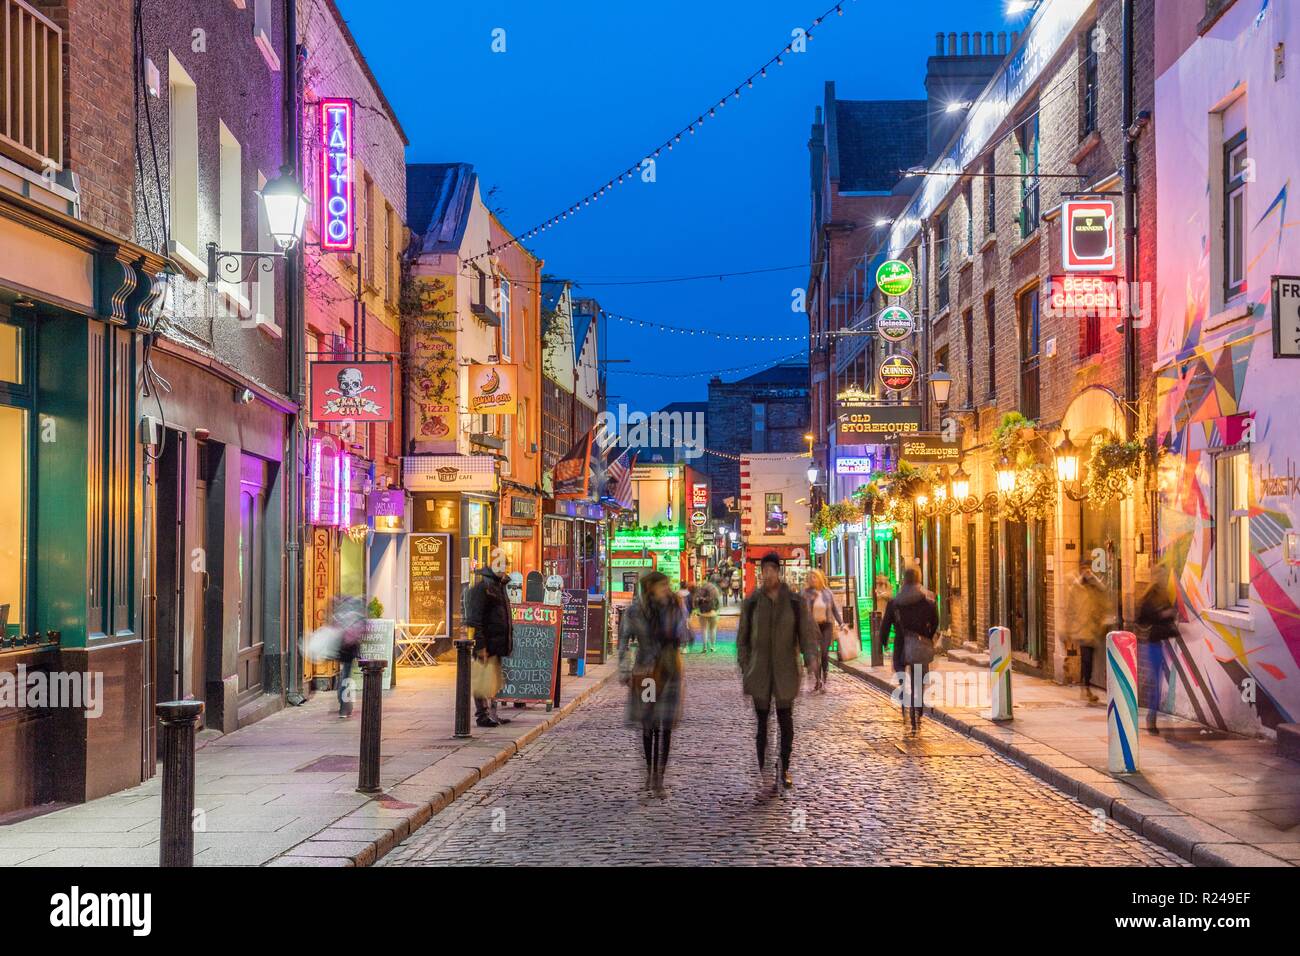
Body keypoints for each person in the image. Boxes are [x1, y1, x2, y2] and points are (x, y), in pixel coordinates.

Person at [737, 552, 820, 790]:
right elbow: (742, 639)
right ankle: (764, 769)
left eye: (773, 569)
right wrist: (746, 665)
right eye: (766, 569)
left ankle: (783, 768)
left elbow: (805, 634)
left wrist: (811, 658)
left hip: (785, 671)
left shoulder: (794, 602)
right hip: (760, 670)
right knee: (762, 724)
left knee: (786, 722)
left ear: (779, 572)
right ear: (762, 572)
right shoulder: (752, 602)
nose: (769, 573)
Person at [618, 571, 688, 797]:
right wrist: (626, 669)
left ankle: (660, 778)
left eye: (667, 585)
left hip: (670, 671)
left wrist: (680, 619)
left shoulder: (674, 607)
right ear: (650, 588)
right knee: (649, 724)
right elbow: (624, 641)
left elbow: (685, 636)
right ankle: (649, 773)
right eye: (661, 586)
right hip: (647, 673)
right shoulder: (635, 611)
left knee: (665, 725)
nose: (666, 589)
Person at [882, 568, 939, 734]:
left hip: (901, 644)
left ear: (904, 580)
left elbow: (886, 624)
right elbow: (935, 621)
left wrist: (883, 642)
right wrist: (928, 636)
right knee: (919, 680)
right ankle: (918, 710)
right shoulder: (926, 600)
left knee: (902, 675)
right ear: (918, 579)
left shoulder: (895, 602)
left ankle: (904, 695)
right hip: (920, 644)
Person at [462, 563, 515, 728]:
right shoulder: (483, 588)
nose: (504, 569)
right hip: (487, 642)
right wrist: (480, 645)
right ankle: (482, 716)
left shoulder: (499, 586)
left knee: (493, 681)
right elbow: (475, 619)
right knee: (482, 681)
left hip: (497, 642)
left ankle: (492, 714)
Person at [1137, 564, 1179, 734]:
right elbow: (1141, 619)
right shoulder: (1149, 596)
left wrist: (1170, 614)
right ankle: (1151, 718)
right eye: (1160, 575)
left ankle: (1151, 715)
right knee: (1155, 682)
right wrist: (1161, 615)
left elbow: (1170, 614)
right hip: (1152, 644)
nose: (1162, 578)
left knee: (1157, 682)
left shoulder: (1163, 594)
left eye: (1164, 574)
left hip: (1161, 643)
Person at [1063, 567, 1114, 703]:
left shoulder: (1094, 586)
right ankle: (1086, 688)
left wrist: (1094, 579)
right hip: (1082, 629)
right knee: (1087, 659)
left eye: (1089, 569)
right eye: (1085, 569)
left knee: (1090, 660)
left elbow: (1104, 593)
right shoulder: (1076, 587)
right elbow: (1070, 609)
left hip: (1094, 630)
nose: (1087, 571)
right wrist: (1068, 629)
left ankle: (1086, 687)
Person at [801, 569, 844, 692]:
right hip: (812, 627)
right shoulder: (805, 593)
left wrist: (841, 623)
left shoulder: (827, 593)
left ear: (819, 578)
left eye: (814, 577)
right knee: (814, 654)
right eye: (810, 577)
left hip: (826, 626)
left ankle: (824, 675)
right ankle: (818, 679)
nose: (812, 579)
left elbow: (834, 610)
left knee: (824, 653)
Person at [333, 596, 365, 719]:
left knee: (344, 675)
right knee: (346, 676)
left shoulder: (340, 616)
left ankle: (343, 704)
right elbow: (359, 633)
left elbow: (335, 630)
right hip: (349, 651)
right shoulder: (355, 617)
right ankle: (344, 707)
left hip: (341, 650)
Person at [693, 577, 723, 653]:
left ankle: (704, 648)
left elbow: (696, 600)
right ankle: (713, 647)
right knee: (713, 630)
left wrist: (697, 608)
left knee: (704, 630)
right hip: (713, 612)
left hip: (703, 613)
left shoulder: (701, 589)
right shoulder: (715, 589)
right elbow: (718, 602)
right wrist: (717, 610)